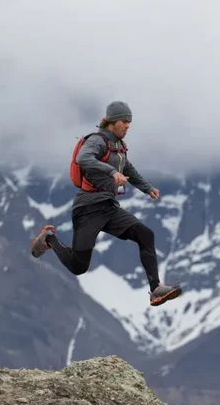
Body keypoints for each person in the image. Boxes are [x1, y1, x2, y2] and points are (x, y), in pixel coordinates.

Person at [30, 100, 182, 307]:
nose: (128, 126)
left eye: (130, 122)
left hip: (109, 207)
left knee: (145, 234)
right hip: (88, 208)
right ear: (111, 121)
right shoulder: (98, 140)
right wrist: (111, 172)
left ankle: (155, 290)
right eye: (124, 121)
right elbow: (83, 158)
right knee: (78, 267)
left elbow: (128, 169)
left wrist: (147, 188)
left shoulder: (118, 147)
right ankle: (49, 239)